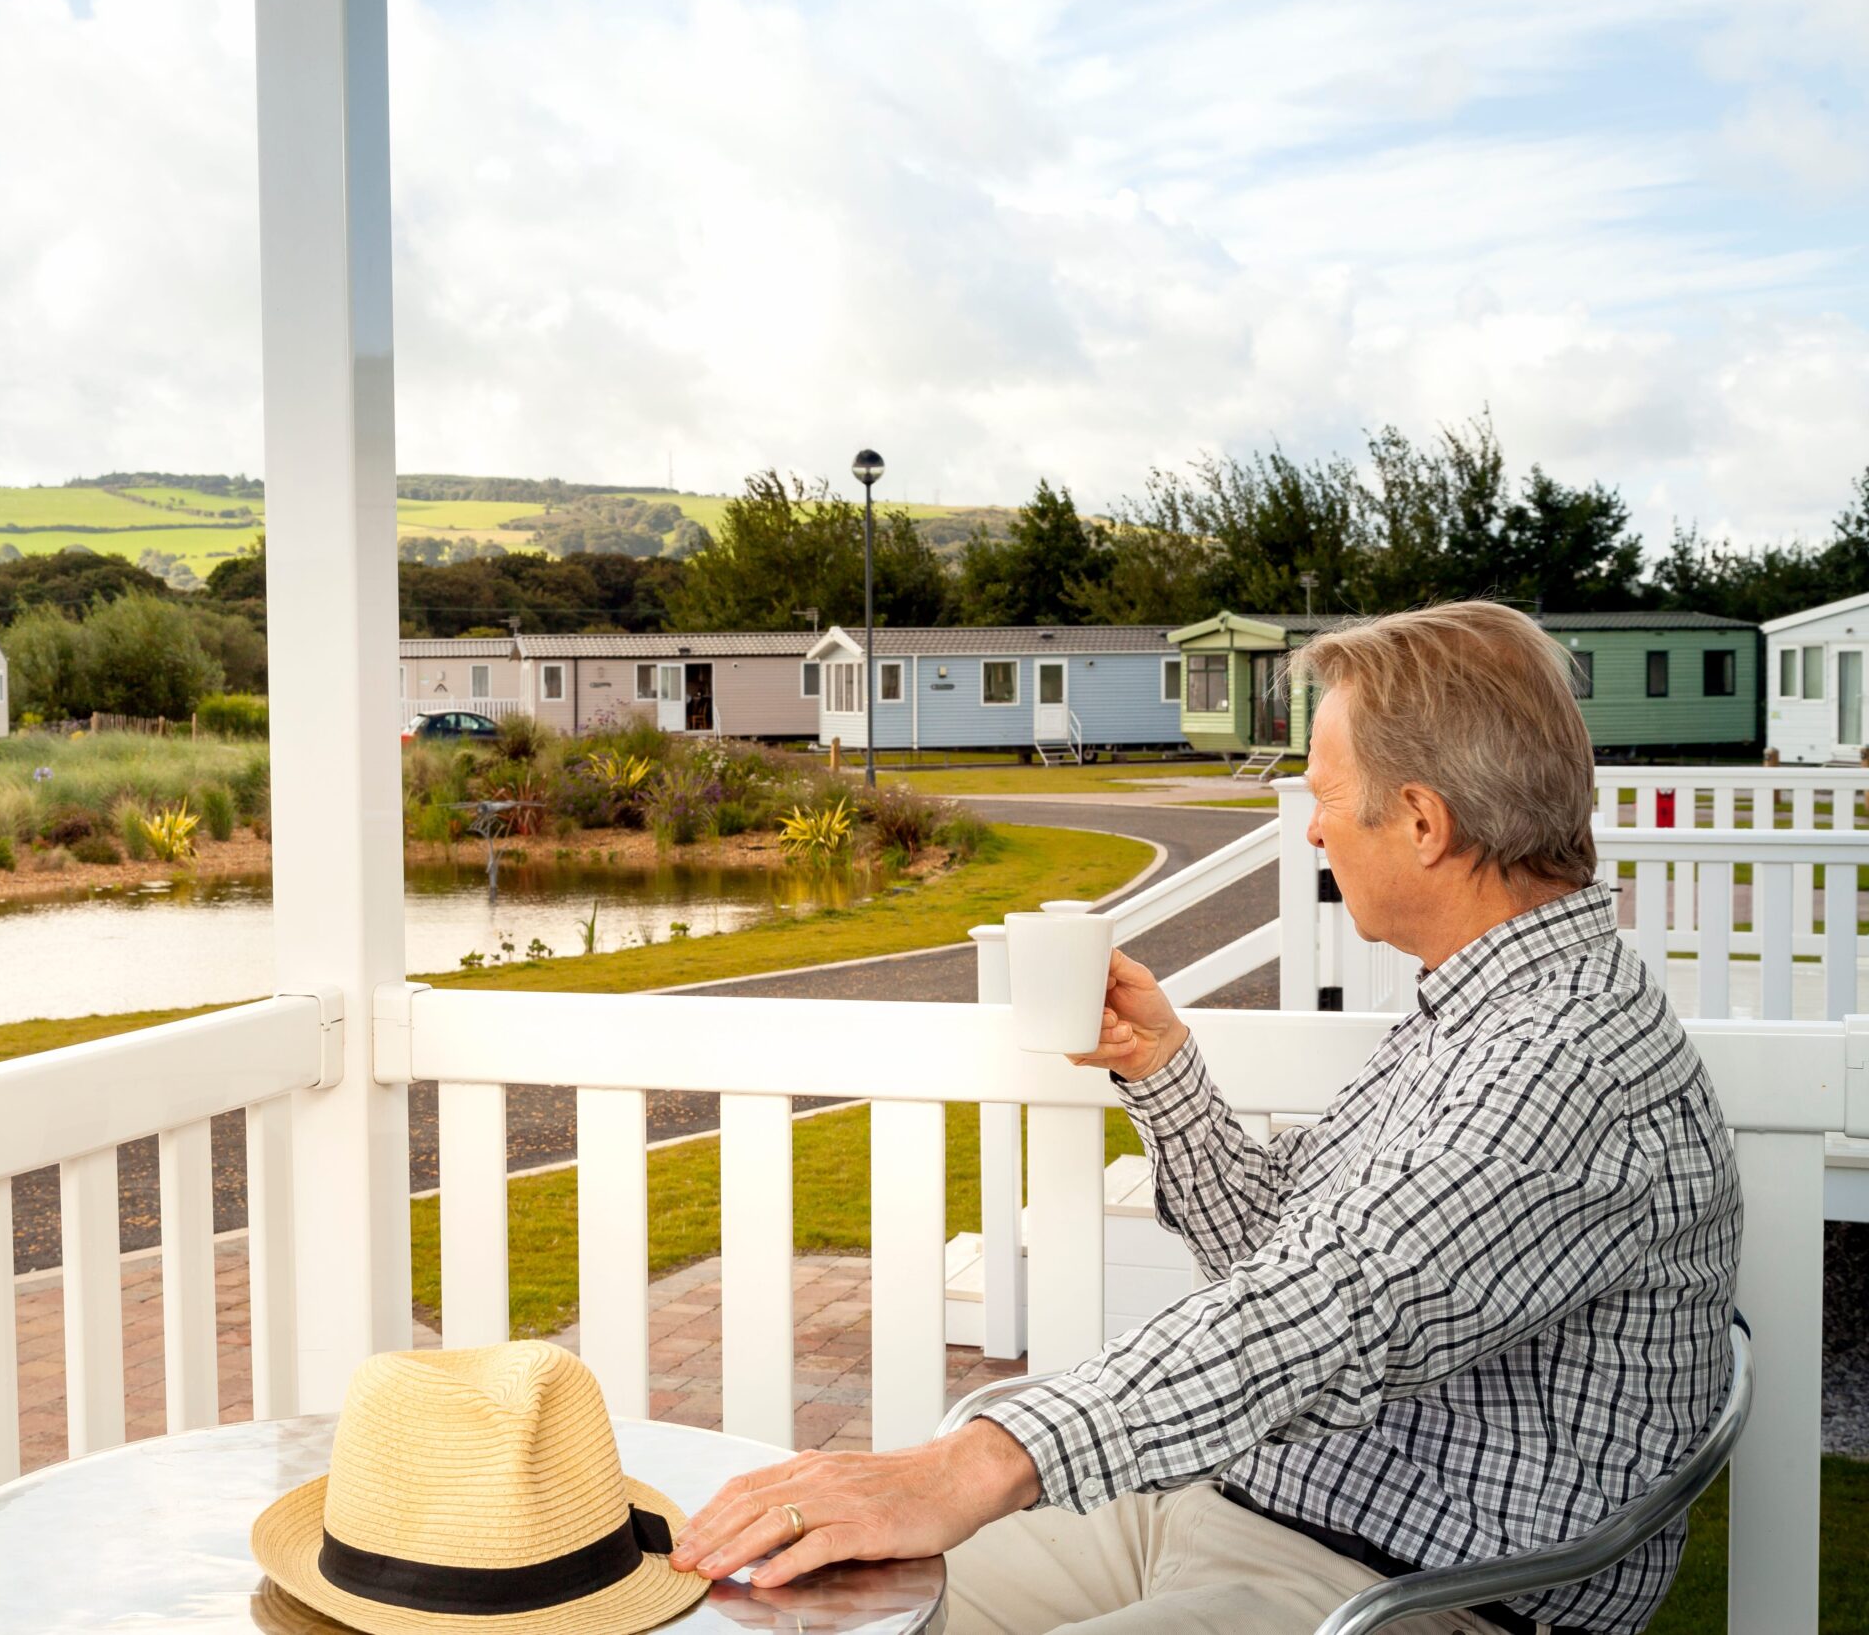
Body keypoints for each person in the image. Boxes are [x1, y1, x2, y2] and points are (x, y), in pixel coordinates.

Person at [670, 602, 1742, 1635]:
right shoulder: (1479, 1006)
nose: (1312, 825)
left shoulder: (1562, 1062)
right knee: (799, 1597)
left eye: (1324, 793)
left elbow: (1330, 1308)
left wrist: (978, 1459)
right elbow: (1280, 1251)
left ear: (1422, 821)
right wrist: (1164, 1069)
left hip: (1406, 1587)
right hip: (1238, 1498)